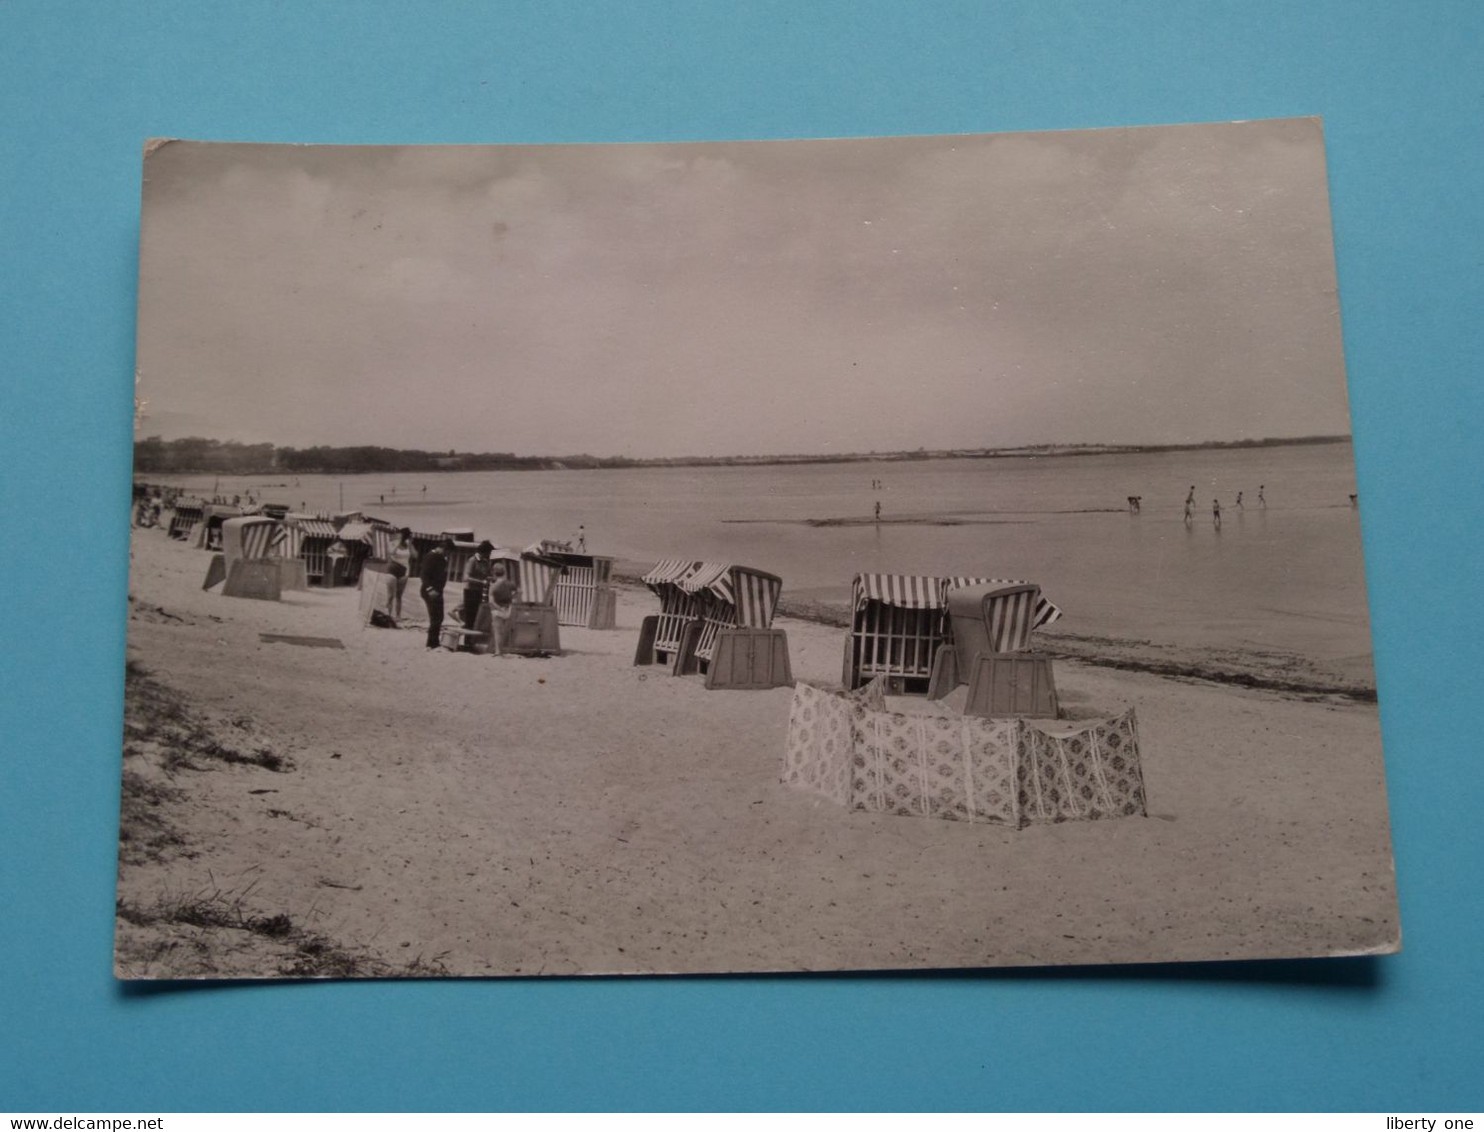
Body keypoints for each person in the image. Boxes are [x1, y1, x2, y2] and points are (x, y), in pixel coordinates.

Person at [419, 537, 453, 650]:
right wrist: (430, 589)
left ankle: (435, 641)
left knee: (439, 617)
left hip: (438, 591)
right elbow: (424, 575)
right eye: (447, 551)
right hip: (430, 591)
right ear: (443, 548)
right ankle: (430, 643)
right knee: (435, 617)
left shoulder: (441, 558)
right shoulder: (431, 557)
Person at [463, 540, 497, 631]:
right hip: (470, 591)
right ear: (484, 552)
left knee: (478, 616)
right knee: (470, 617)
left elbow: (489, 575)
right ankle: (467, 641)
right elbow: (466, 577)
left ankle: (473, 640)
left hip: (480, 591)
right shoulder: (473, 560)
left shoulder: (486, 562)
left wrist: (493, 578)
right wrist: (481, 582)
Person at [486, 562, 518, 655]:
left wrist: (499, 608)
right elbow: (517, 592)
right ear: (504, 572)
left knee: (497, 631)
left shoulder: (493, 586)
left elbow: (491, 601)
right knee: (504, 631)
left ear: (494, 573)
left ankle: (498, 651)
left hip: (497, 610)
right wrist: (511, 598)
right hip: (508, 608)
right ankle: (503, 649)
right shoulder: (509, 583)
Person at [387, 528, 414, 621]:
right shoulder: (393, 542)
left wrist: (410, 544)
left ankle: (398, 616)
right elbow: (391, 552)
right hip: (393, 568)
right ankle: (388, 615)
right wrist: (398, 542)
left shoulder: (408, 545)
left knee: (399, 595)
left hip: (404, 570)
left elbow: (415, 555)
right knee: (390, 595)